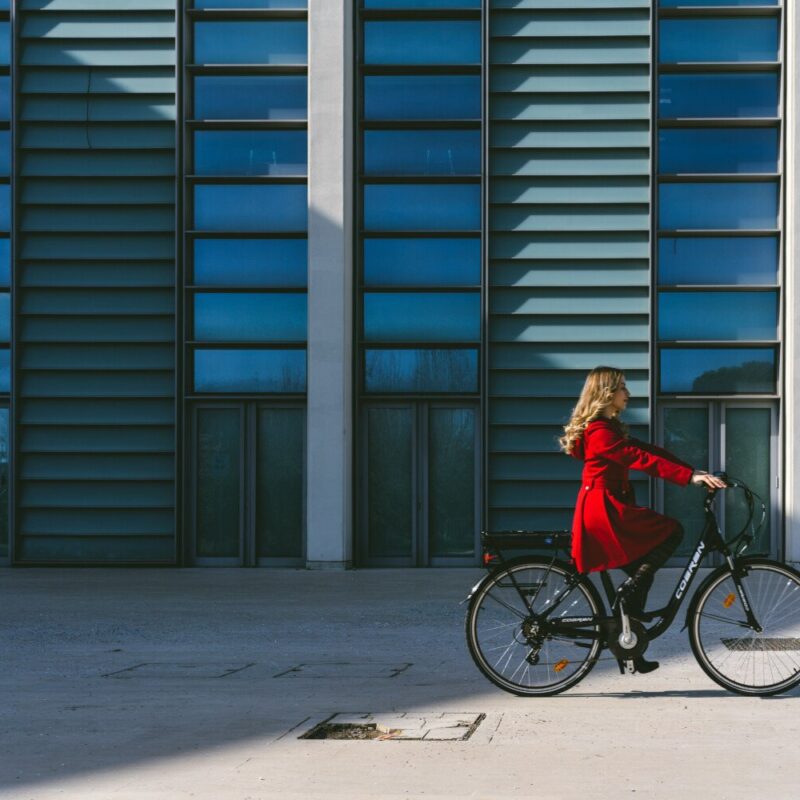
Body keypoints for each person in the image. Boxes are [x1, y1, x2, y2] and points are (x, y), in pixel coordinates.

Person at [559, 366, 726, 674]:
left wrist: (694, 472)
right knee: (672, 531)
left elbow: (648, 450)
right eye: (622, 387)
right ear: (607, 394)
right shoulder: (599, 431)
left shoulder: (607, 428)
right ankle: (628, 601)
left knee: (642, 574)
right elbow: (639, 460)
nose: (628, 393)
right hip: (604, 511)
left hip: (609, 507)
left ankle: (631, 647)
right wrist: (688, 477)